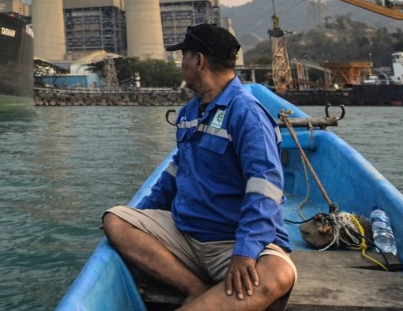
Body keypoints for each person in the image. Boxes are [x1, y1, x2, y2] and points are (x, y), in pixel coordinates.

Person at [102, 23, 297, 310]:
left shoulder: (247, 114)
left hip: (232, 241)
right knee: (116, 221)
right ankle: (197, 289)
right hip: (186, 234)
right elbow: (174, 173)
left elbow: (264, 188)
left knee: (278, 275)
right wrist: (140, 218)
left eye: (184, 57)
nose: (182, 64)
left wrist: (245, 252)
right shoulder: (190, 112)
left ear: (199, 61)